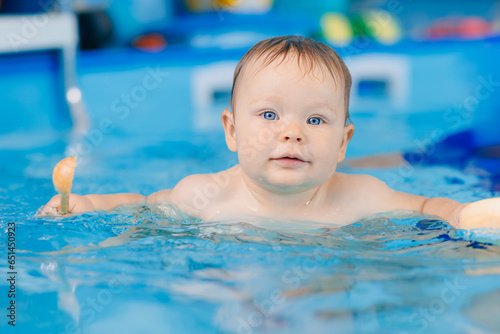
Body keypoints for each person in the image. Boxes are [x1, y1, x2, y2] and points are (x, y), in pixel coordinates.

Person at [39, 35, 500, 229]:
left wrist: (461, 213)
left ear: (343, 143)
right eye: (268, 115)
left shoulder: (362, 196)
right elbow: (141, 205)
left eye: (316, 120)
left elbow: (423, 204)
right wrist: (86, 204)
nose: (292, 134)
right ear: (231, 130)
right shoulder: (206, 195)